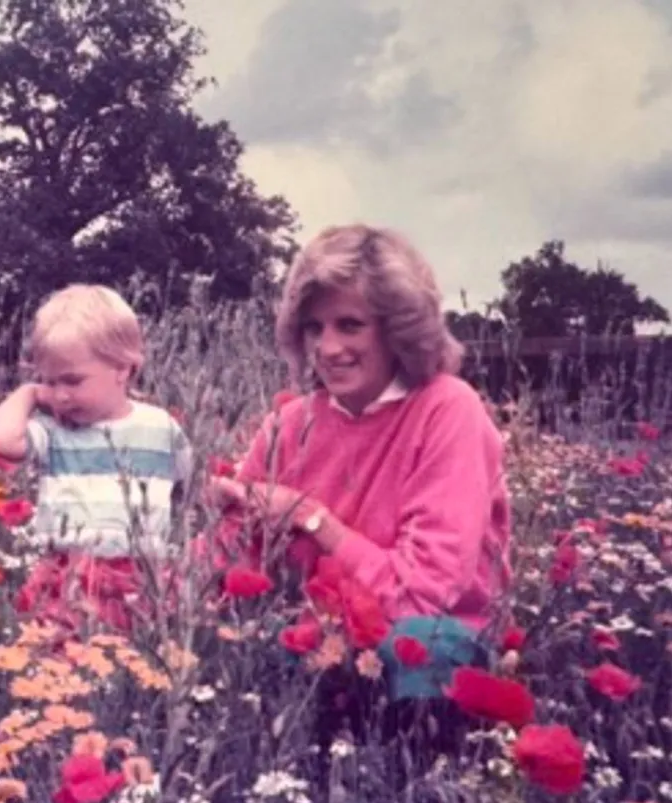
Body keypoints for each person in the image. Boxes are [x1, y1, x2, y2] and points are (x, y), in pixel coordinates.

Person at [206, 224, 511, 763]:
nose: (328, 348)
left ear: (399, 330)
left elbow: (424, 595)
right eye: (314, 327)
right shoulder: (290, 423)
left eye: (350, 325)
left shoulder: (447, 410)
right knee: (227, 656)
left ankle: (417, 795)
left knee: (413, 648)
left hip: (427, 646)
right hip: (319, 638)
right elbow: (230, 560)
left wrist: (310, 518)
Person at [0, 284, 194, 631]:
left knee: (132, 668)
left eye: (72, 381)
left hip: (138, 581)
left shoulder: (162, 429)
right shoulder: (53, 431)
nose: (60, 396)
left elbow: (186, 492)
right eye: (49, 381)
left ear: (122, 369)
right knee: (62, 670)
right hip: (66, 577)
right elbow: (0, 440)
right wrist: (30, 393)